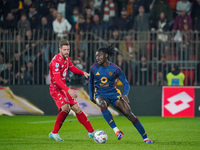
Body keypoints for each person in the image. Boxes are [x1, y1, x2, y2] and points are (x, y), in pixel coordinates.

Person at [88, 45, 153, 143]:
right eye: (96, 56)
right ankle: (117, 131)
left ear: (106, 55)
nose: (97, 58)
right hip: (100, 95)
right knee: (102, 104)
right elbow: (90, 83)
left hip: (114, 94)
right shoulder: (93, 68)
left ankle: (145, 137)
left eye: (100, 56)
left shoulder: (115, 68)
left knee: (129, 114)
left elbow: (126, 83)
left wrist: (125, 94)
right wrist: (91, 96)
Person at [49, 39, 96, 141]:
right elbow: (57, 80)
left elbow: (72, 68)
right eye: (64, 49)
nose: (66, 51)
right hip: (56, 89)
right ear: (60, 49)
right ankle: (54, 133)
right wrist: (68, 90)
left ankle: (91, 131)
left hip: (64, 88)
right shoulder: (55, 62)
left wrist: (83, 72)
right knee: (66, 108)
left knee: (77, 108)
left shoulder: (66, 59)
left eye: (68, 49)